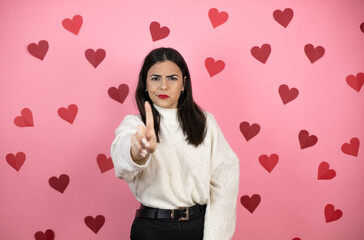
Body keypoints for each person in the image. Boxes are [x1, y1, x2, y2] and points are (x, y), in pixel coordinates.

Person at [110, 47, 240, 240]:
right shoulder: (136, 124)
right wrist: (138, 151)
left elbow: (225, 178)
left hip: (198, 226)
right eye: (155, 78)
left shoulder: (206, 123)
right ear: (145, 83)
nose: (163, 86)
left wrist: (216, 236)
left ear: (183, 84)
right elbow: (123, 163)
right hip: (153, 229)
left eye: (172, 78)